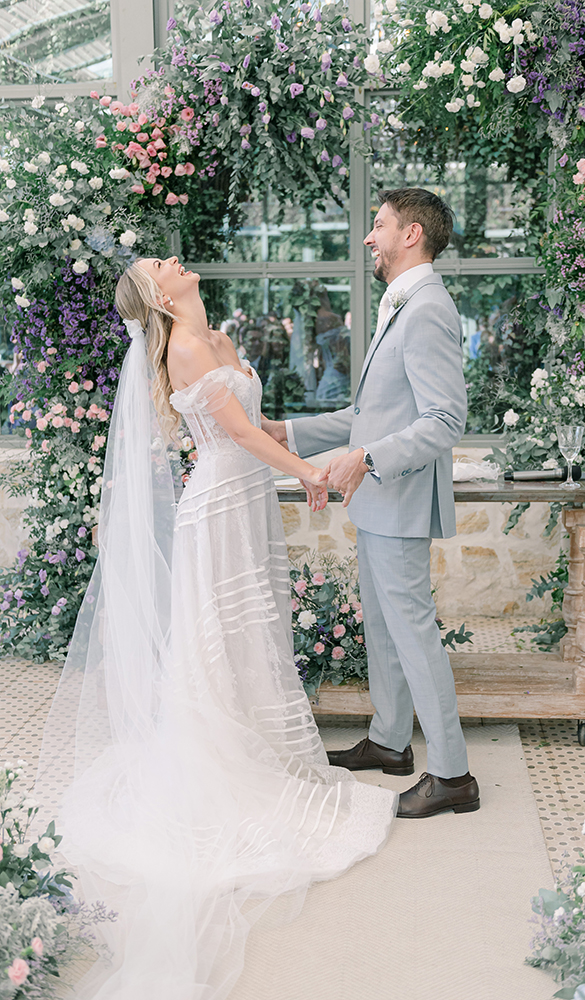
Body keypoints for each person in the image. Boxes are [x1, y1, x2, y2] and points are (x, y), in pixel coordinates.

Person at [36, 256, 396, 1000]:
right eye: (160, 264)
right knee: (220, 635)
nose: (174, 259)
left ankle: (258, 746)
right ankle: (221, 763)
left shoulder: (219, 336)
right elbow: (232, 434)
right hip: (219, 506)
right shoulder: (187, 349)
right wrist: (307, 473)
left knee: (250, 632)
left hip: (246, 500)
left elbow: (255, 424)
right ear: (162, 296)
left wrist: (297, 465)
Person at [263, 188, 480, 819]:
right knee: (383, 629)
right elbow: (368, 414)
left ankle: (453, 774)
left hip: (400, 497)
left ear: (411, 234)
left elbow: (446, 419)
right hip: (378, 502)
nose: (368, 237)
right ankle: (390, 743)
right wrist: (293, 433)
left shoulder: (427, 309)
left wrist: (366, 458)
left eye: (377, 225)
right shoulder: (399, 306)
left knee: (413, 635)